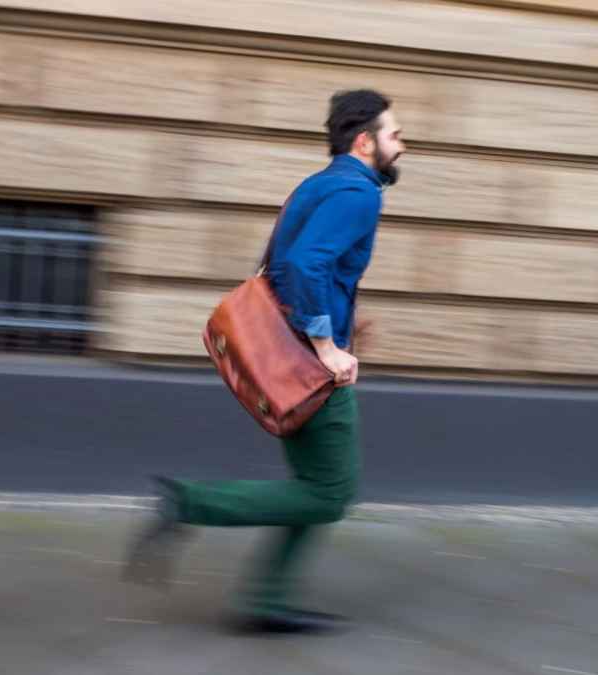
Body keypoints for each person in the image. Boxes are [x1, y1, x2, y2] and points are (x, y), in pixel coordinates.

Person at [123, 89, 405, 634]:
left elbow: (287, 266)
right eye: (395, 135)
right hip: (309, 368)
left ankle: (268, 600)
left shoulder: (319, 184)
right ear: (365, 141)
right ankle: (189, 503)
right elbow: (303, 267)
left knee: (312, 486)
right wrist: (326, 345)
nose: (403, 146)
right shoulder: (359, 193)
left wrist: (344, 322)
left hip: (291, 355)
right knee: (329, 493)